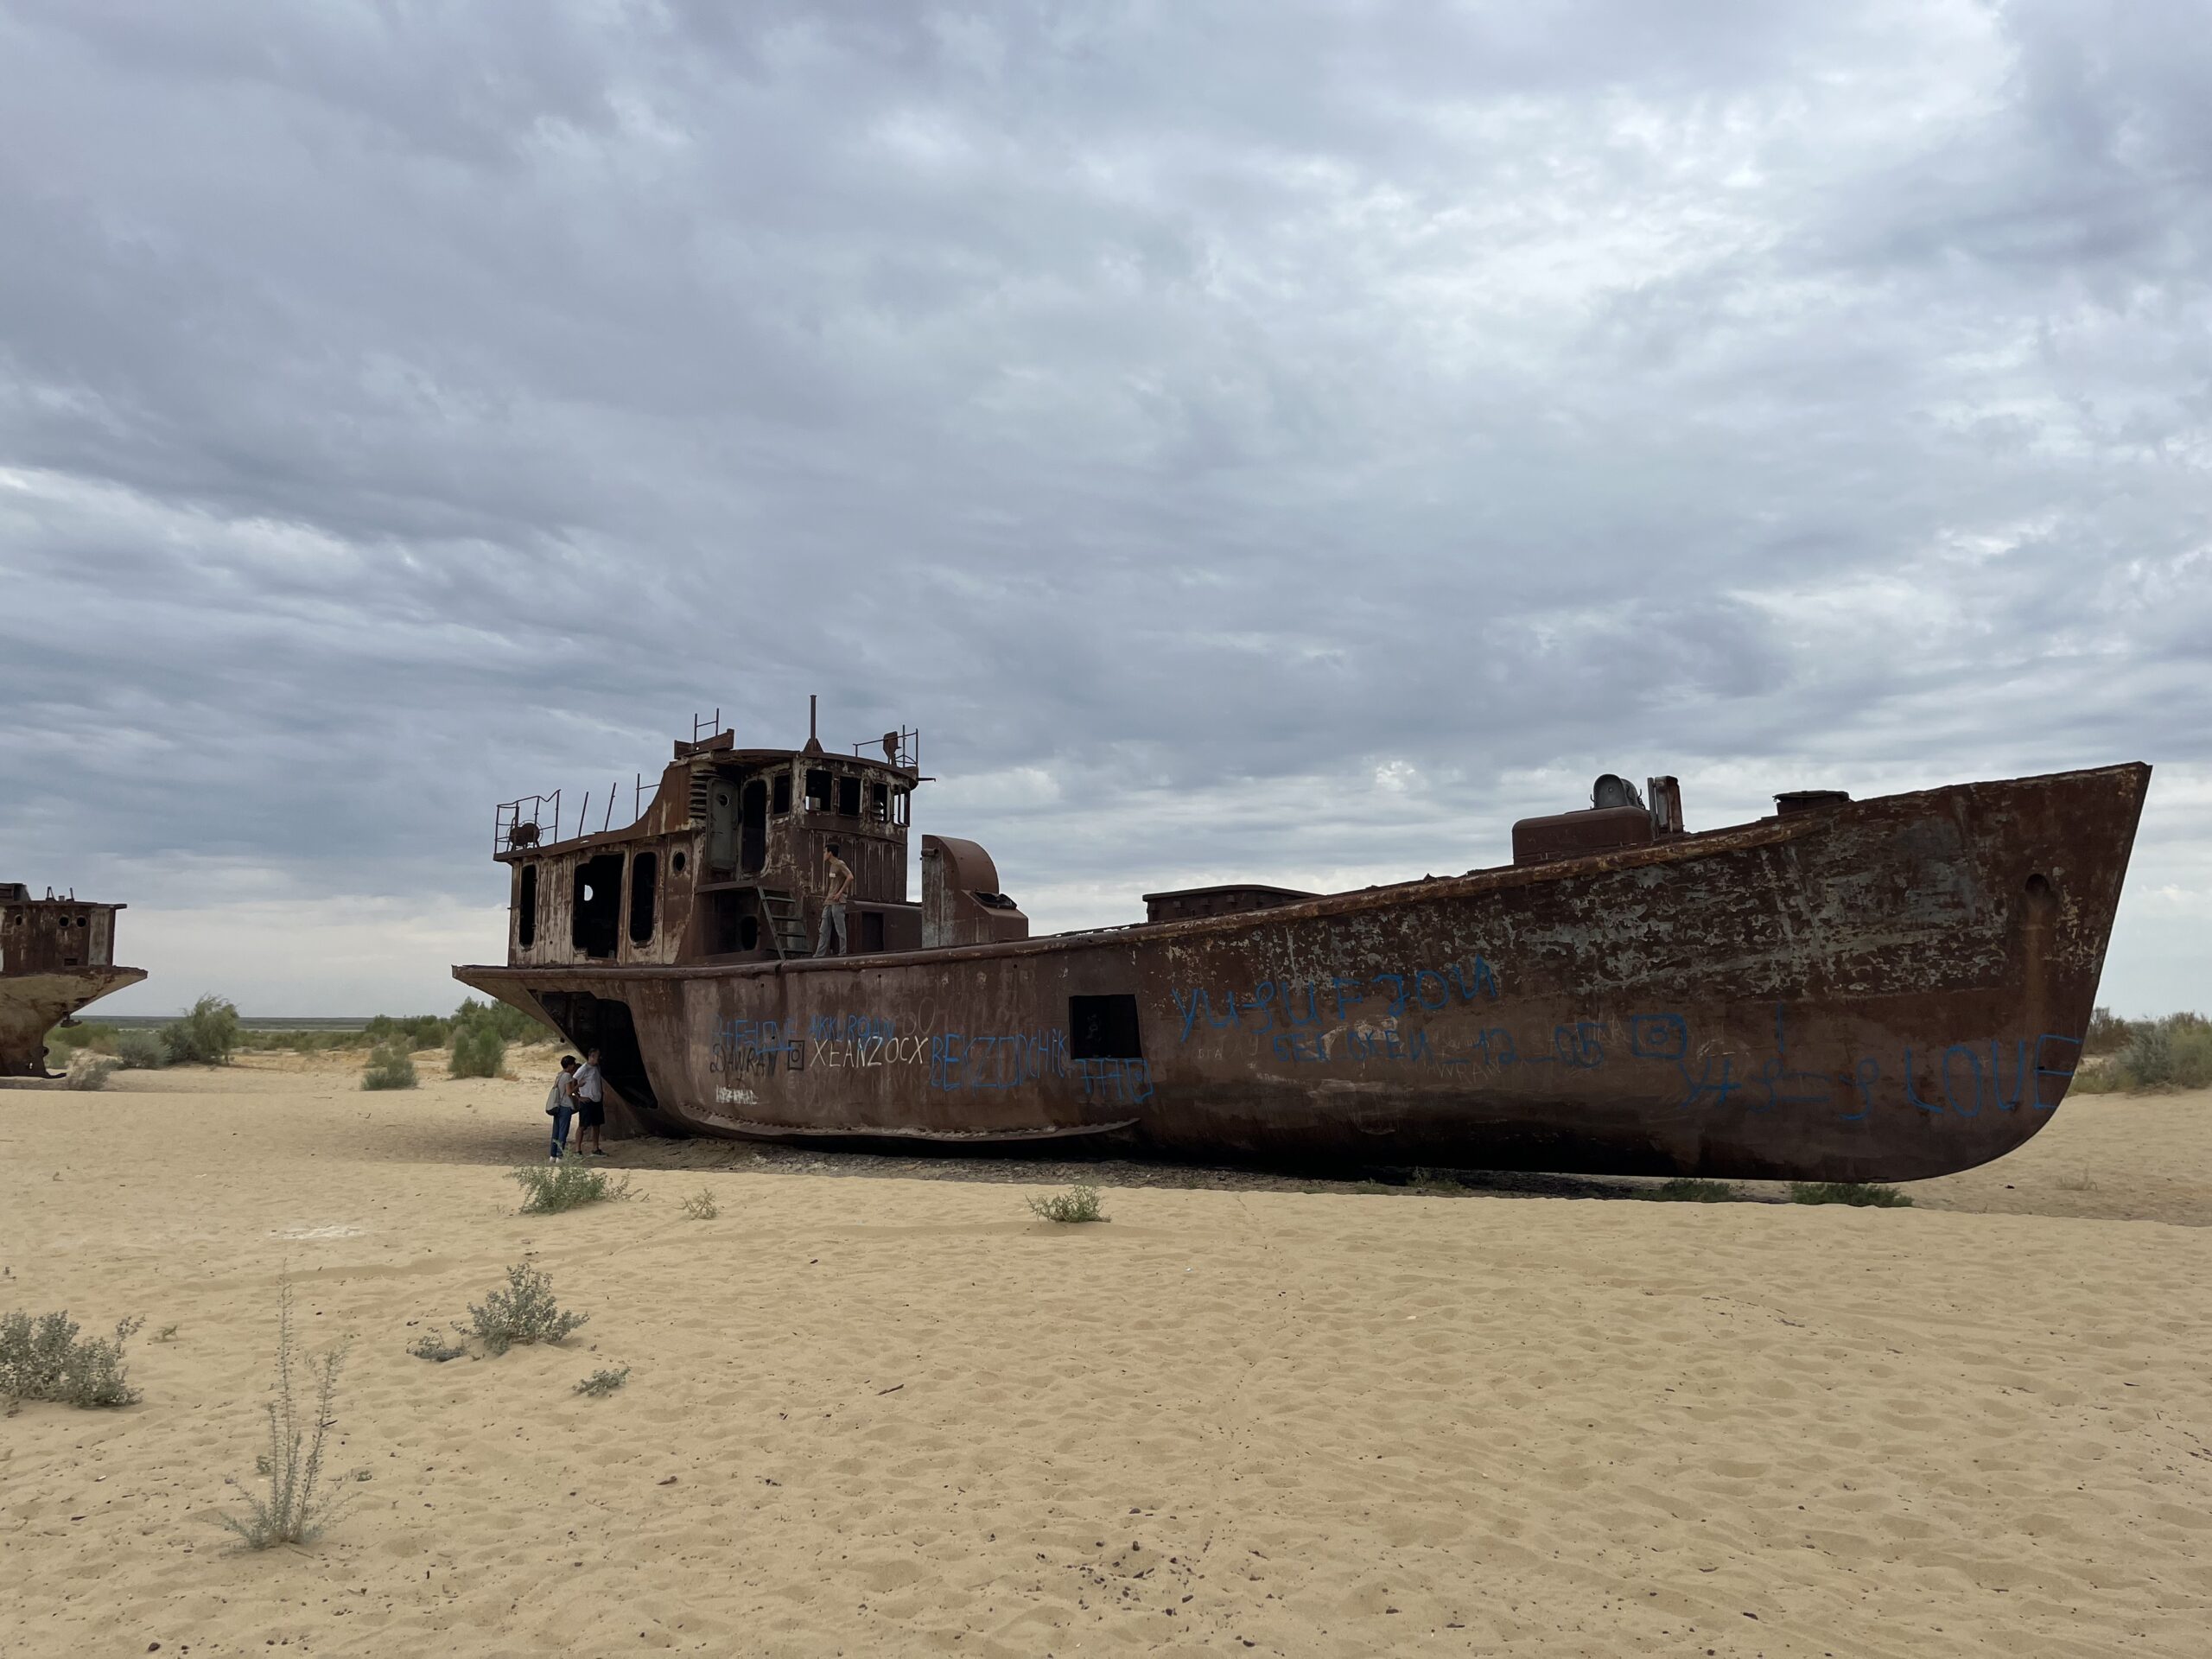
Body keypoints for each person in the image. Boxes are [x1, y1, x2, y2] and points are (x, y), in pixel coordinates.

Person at [814, 841, 854, 957]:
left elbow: (850, 877)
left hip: (838, 901)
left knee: (839, 927)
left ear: (830, 853)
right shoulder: (832, 866)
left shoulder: (840, 864)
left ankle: (842, 952)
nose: (824, 854)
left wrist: (840, 893)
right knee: (824, 929)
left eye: (825, 852)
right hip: (829, 901)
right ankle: (819, 954)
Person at [573, 1046, 607, 1156]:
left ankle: (595, 1148)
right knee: (583, 1125)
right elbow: (574, 1080)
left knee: (596, 1124)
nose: (599, 1059)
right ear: (592, 1056)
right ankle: (577, 1150)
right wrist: (578, 1096)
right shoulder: (584, 1068)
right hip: (587, 1100)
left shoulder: (597, 1067)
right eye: (598, 1056)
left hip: (596, 1099)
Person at [545, 1054, 579, 1160]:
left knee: (555, 1132)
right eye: (573, 1064)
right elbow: (569, 1092)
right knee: (563, 1132)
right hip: (565, 1106)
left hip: (557, 1106)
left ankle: (553, 1155)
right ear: (569, 1065)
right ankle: (560, 1155)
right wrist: (578, 1086)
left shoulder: (559, 1075)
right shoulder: (567, 1076)